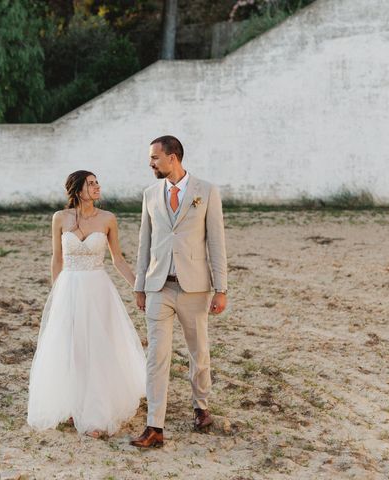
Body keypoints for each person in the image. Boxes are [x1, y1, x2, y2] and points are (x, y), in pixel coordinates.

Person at [27, 170, 146, 438]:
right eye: (91, 184)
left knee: (97, 347)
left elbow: (118, 259)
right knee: (71, 347)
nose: (97, 187)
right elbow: (56, 260)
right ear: (77, 189)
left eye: (97, 183)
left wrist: (138, 287)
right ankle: (71, 404)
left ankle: (95, 413)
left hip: (97, 289)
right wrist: (56, 293)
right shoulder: (60, 218)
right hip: (68, 288)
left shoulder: (108, 219)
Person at [130, 135, 228, 448]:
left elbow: (216, 242)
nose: (150, 164)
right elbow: (145, 242)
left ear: (173, 157)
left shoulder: (206, 191)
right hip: (158, 286)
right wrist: (140, 286)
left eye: (155, 158)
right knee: (156, 356)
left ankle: (201, 406)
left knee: (198, 353)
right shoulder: (149, 194)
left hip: (195, 289)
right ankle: (154, 427)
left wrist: (221, 288)